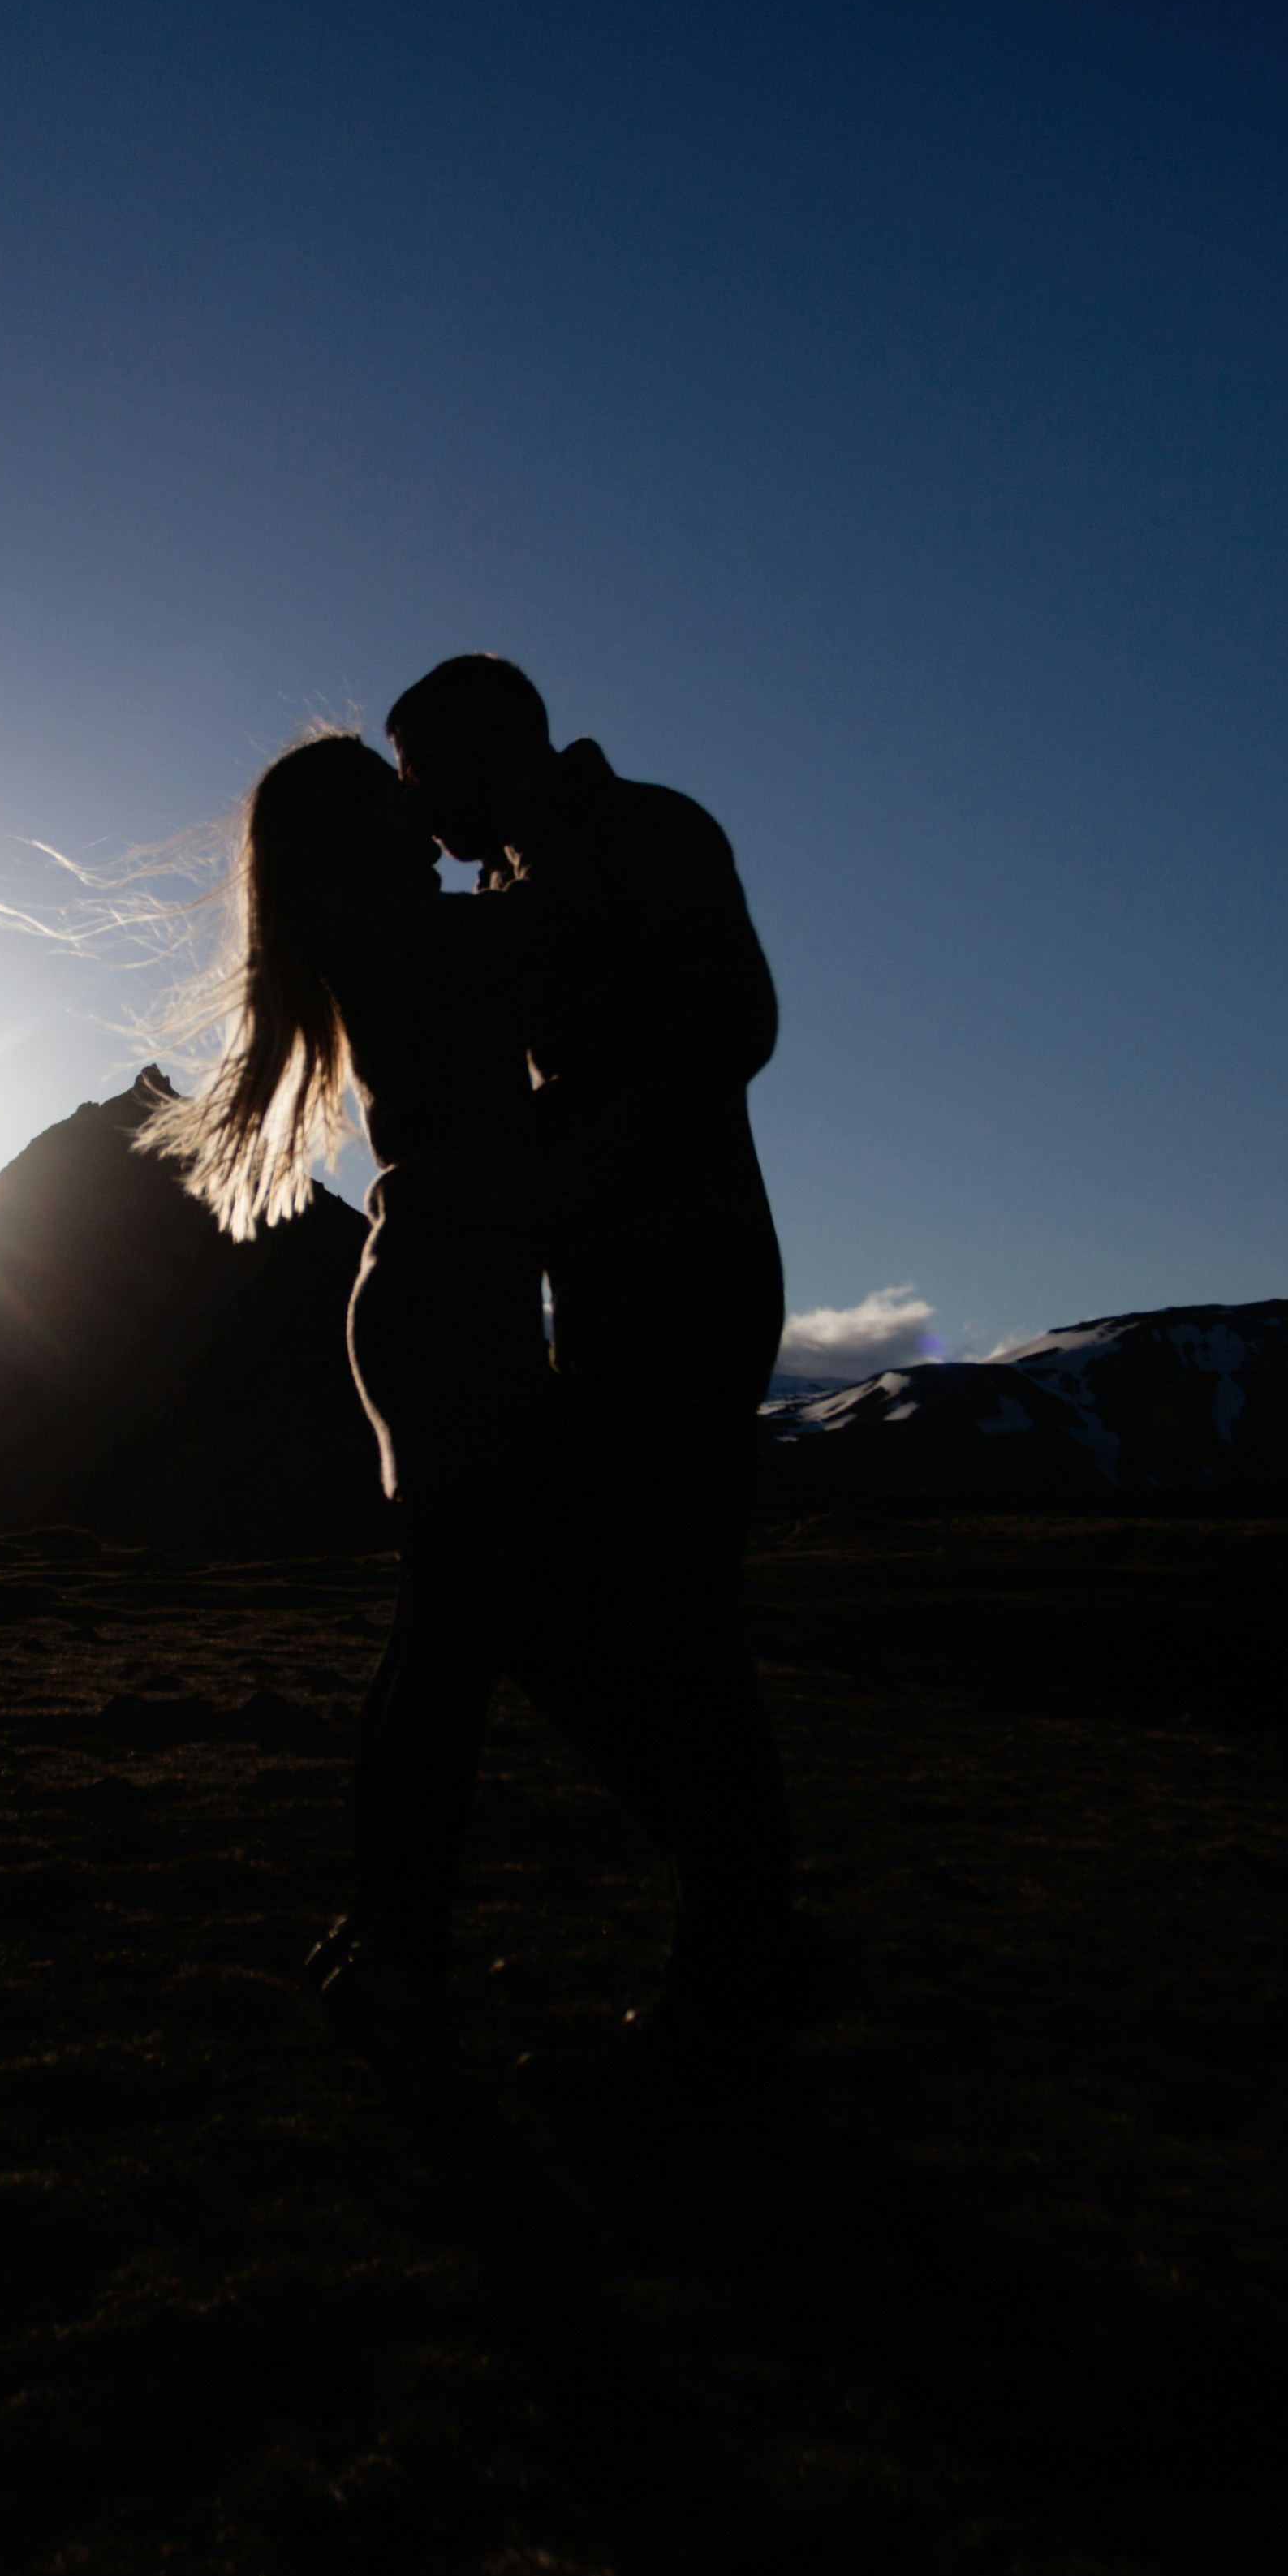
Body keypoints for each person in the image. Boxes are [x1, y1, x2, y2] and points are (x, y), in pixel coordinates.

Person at [385, 653, 800, 2070]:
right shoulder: (523, 877)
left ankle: (739, 1962)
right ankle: (736, 1933)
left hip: (685, 1275)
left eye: (419, 767)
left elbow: (732, 1028)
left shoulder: (645, 835)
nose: (411, 801)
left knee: (671, 1614)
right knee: (630, 1608)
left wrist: (553, 1163)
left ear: (496, 743)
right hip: (620, 1287)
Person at [137, 730, 544, 2056]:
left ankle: (388, 1937)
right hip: (453, 1290)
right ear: (357, 840)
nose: (431, 837)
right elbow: (557, 934)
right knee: (453, 1645)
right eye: (400, 812)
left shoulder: (380, 932)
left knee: (442, 1637)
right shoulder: (415, 936)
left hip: (427, 1284)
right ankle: (400, 1958)